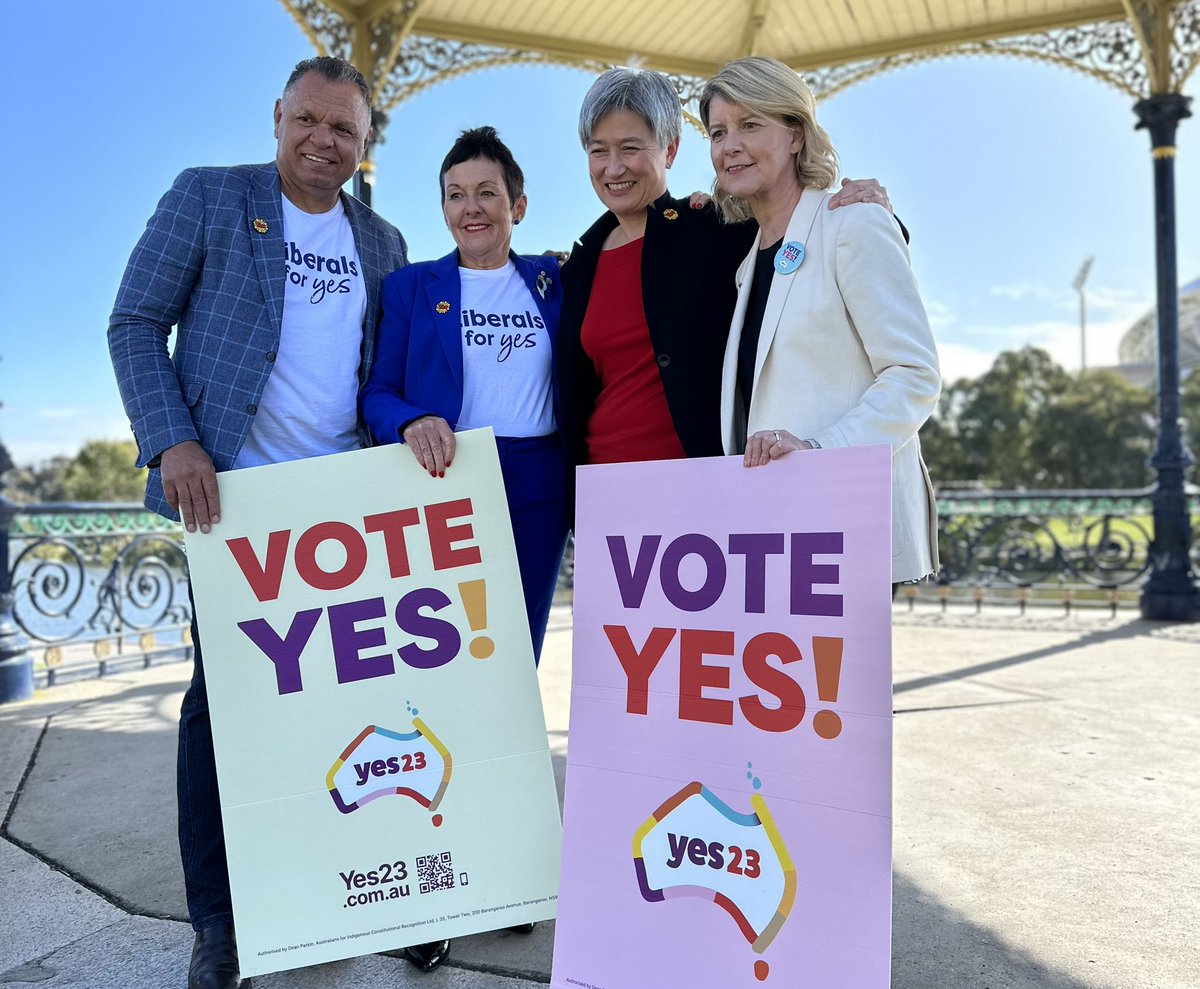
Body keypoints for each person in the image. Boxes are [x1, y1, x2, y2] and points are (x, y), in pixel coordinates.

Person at [108, 57, 407, 989]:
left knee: (340, 713)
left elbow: (392, 372)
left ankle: (335, 894)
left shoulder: (385, 241)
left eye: (344, 131)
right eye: (308, 121)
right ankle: (220, 926)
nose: (323, 141)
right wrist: (172, 444)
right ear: (277, 116)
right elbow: (133, 323)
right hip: (230, 504)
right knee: (221, 712)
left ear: (365, 148)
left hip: (343, 518)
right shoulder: (208, 197)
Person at [555, 67, 895, 477]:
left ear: (670, 150)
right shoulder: (579, 264)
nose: (613, 168)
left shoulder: (715, 227)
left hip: (703, 485)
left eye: (630, 148)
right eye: (598, 151)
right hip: (603, 490)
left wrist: (878, 209)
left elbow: (807, 223)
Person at [700, 56, 941, 583]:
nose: (729, 144)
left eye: (750, 124)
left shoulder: (853, 223)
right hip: (770, 532)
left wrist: (818, 453)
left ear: (795, 135)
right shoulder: (745, 261)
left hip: (848, 525)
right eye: (718, 132)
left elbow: (914, 376)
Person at [361, 126, 567, 666]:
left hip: (539, 483)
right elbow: (378, 392)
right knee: (447, 648)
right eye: (455, 194)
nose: (470, 208)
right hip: (446, 480)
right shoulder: (410, 288)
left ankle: (513, 752)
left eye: (486, 192)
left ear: (517, 205)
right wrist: (411, 423)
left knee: (520, 648)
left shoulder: (555, 279)